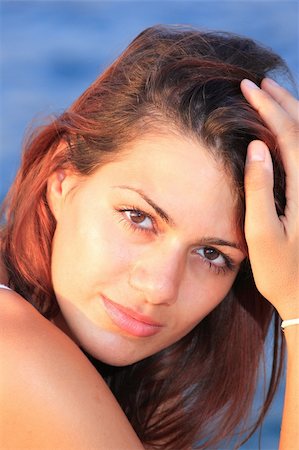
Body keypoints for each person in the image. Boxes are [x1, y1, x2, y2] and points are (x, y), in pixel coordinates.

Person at [0, 24, 298, 450]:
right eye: (138, 217)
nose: (159, 287)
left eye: (212, 253)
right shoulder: (12, 349)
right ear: (62, 180)